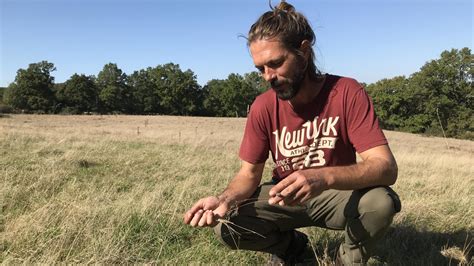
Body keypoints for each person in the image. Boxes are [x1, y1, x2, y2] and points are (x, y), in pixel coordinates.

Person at [184, 1, 401, 265]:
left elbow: (386, 167)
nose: (267, 76)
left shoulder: (346, 92)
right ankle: (294, 250)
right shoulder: (263, 106)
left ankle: (345, 260)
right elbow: (248, 174)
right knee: (228, 225)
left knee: (381, 202)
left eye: (275, 63)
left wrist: (322, 177)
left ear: (304, 51)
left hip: (336, 193)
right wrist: (223, 198)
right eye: (260, 68)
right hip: (283, 196)